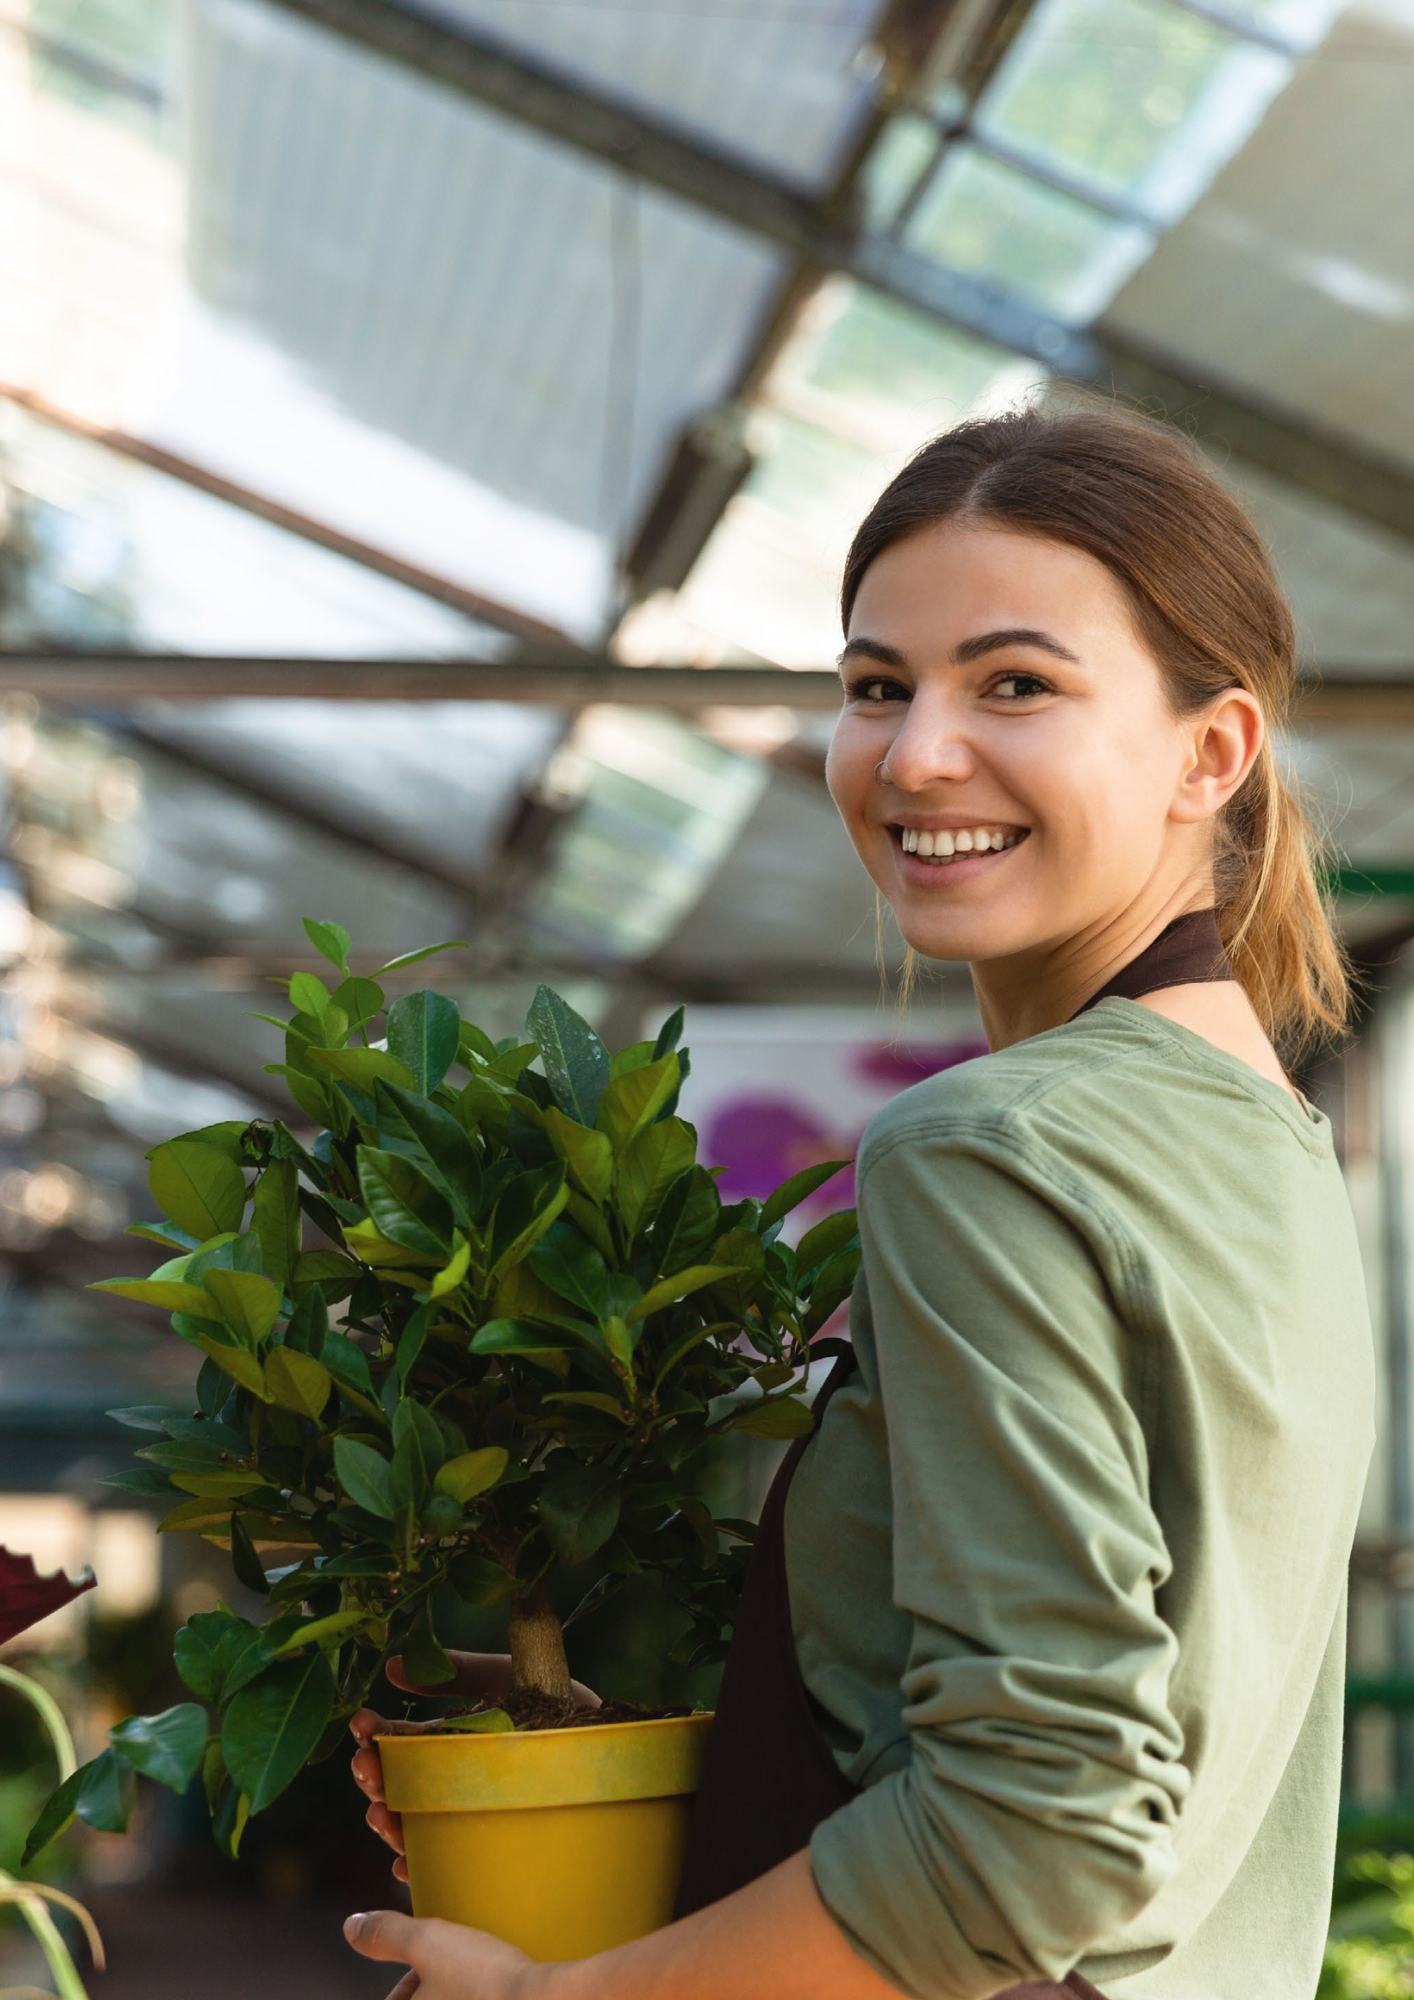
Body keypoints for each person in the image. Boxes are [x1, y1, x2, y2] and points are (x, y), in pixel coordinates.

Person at [344, 406, 1375, 2000]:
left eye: (1014, 684)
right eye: (876, 686)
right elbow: (1134, 1757)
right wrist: (631, 1747)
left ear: (1210, 752)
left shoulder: (991, 1147)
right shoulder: (1273, 1148)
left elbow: (1043, 1833)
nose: (913, 755)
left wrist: (563, 1999)